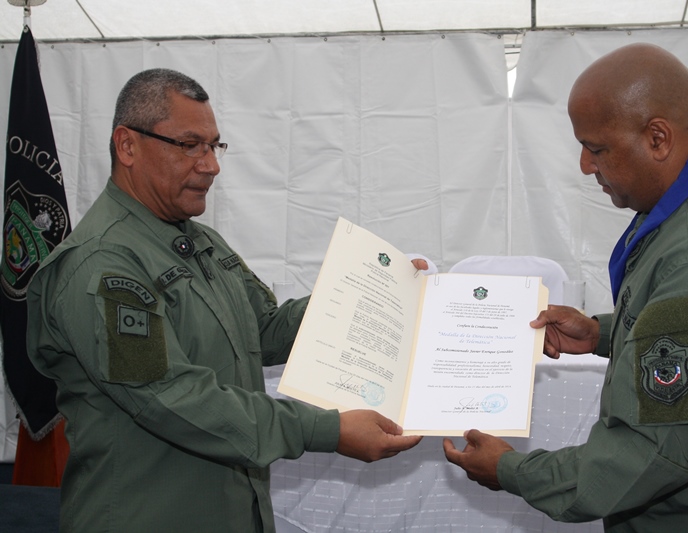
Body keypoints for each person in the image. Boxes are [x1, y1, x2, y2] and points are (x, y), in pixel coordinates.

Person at [25, 68, 423, 532]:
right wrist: (327, 429)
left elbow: (264, 329)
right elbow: (171, 397)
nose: (210, 165)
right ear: (127, 145)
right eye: (189, 145)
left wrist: (372, 298)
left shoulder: (202, 243)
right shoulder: (102, 264)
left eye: (214, 146)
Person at [444, 43, 688, 531]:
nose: (585, 166)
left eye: (596, 149)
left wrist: (513, 470)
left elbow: (648, 453)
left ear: (657, 138)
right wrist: (601, 332)